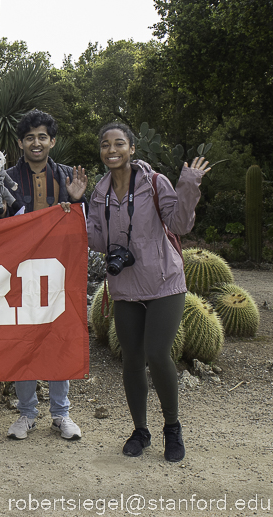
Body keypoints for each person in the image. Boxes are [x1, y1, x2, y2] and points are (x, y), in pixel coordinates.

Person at [86, 122, 210, 462]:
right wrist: (73, 204)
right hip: (126, 287)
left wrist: (189, 184)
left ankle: (172, 427)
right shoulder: (100, 193)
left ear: (131, 148)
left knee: (156, 354)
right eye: (106, 144)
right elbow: (97, 241)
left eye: (119, 143)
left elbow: (180, 225)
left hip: (163, 282)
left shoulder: (154, 182)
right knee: (132, 359)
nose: (112, 150)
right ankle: (141, 430)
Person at [4, 109, 86, 441]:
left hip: (59, 273)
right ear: (20, 143)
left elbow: (85, 227)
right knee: (23, 340)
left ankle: (61, 414)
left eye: (42, 137)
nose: (35, 143)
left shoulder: (67, 177)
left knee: (58, 338)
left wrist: (78, 201)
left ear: (52, 141)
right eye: (29, 137)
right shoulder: (6, 178)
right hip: (18, 272)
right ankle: (26, 414)